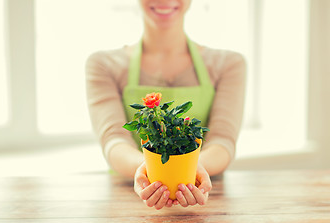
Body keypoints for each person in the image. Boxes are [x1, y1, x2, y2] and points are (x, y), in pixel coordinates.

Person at [85, 0, 246, 210]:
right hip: (127, 201)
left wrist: (190, 171)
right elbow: (113, 140)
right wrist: (150, 172)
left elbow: (223, 140)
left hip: (204, 198)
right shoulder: (103, 64)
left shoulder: (228, 64)